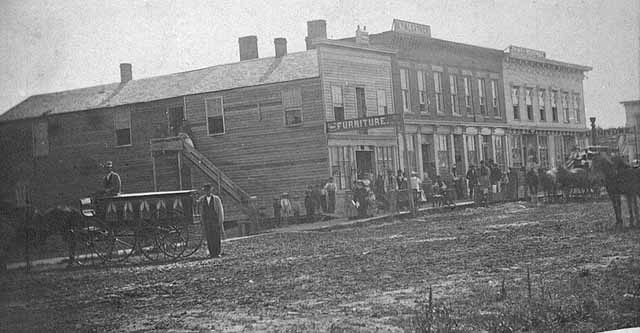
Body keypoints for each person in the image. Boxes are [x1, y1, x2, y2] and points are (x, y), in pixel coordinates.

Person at [198, 184, 225, 258]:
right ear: (204, 191)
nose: (207, 192)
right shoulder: (202, 199)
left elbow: (220, 210)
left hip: (215, 221)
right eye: (206, 191)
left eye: (209, 190)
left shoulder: (216, 199)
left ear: (211, 190)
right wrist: (202, 221)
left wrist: (220, 221)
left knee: (216, 237)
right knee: (209, 238)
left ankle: (217, 253)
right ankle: (211, 253)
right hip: (207, 222)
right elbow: (201, 210)